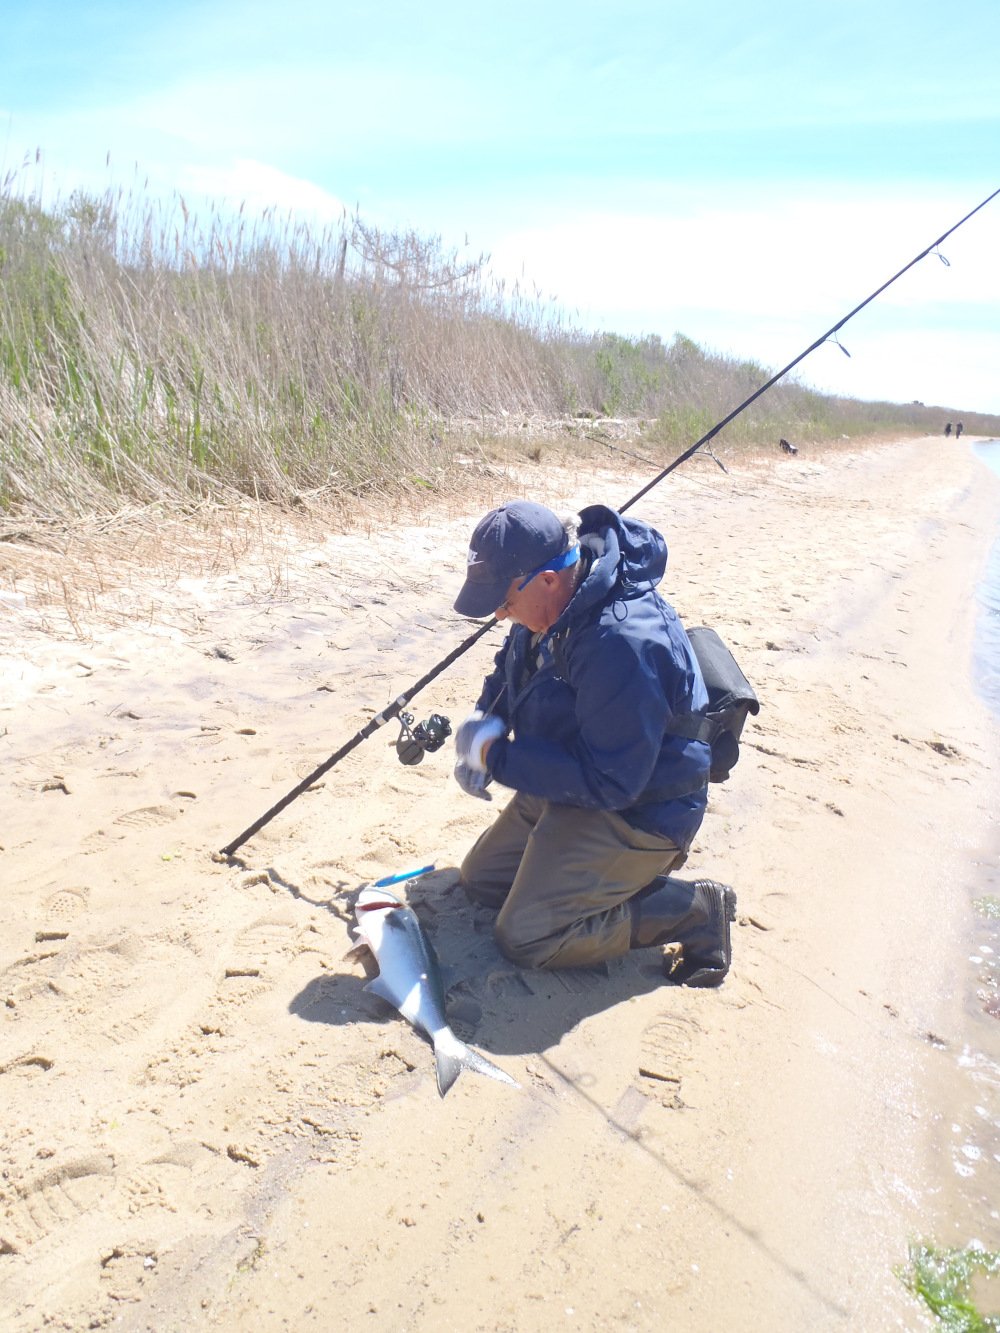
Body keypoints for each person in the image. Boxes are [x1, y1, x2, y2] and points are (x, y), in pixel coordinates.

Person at [451, 499, 736, 987]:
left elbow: (612, 782)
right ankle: (578, 877)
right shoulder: (550, 608)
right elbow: (509, 671)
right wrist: (488, 719)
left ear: (546, 578)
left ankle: (695, 910)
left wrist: (496, 757)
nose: (499, 615)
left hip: (641, 809)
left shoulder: (620, 642)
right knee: (481, 883)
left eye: (504, 601)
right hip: (577, 775)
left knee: (525, 937)